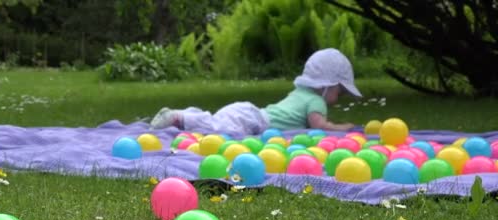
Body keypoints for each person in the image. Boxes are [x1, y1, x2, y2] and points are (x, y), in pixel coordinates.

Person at [150, 48, 361, 135]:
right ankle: (179, 116)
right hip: (254, 120)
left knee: (214, 121)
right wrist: (345, 127)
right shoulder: (317, 102)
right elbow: (319, 126)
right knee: (219, 129)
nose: (338, 98)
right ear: (326, 85)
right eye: (339, 91)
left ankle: (185, 115)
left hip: (251, 113)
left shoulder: (300, 93)